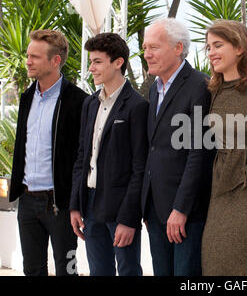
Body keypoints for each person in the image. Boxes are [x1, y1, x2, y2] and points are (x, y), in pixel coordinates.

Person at [201, 20, 247, 276]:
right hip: (219, 190)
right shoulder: (214, 89)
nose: (210, 52)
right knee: (215, 263)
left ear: (240, 47)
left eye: (218, 45)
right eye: (208, 46)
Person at [9, 29, 88, 276]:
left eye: (35, 57)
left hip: (61, 205)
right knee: (32, 270)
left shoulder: (78, 101)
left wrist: (75, 202)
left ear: (55, 60)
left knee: (68, 270)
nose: (28, 61)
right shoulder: (26, 98)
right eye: (28, 55)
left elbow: (81, 156)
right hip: (27, 201)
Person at [70, 33, 148, 276]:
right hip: (91, 205)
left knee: (128, 270)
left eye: (97, 62)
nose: (91, 68)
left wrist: (129, 218)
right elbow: (82, 156)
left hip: (121, 208)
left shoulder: (138, 106)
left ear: (118, 62)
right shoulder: (90, 103)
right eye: (91, 62)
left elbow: (140, 169)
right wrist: (75, 205)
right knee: (98, 272)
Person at [141, 18, 212, 276]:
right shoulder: (154, 89)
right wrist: (146, 203)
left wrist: (181, 209)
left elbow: (199, 155)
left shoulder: (200, 86)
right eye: (145, 47)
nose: (146, 54)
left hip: (184, 214)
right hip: (155, 209)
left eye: (154, 47)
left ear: (178, 48)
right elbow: (154, 148)